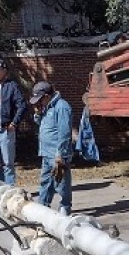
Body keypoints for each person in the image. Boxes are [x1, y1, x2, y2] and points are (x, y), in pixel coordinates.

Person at [30, 80, 73, 215]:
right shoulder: (47, 107)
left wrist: (60, 153)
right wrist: (37, 113)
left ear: (47, 96)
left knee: (61, 182)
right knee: (45, 181)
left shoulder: (61, 107)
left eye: (39, 99)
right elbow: (41, 124)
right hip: (46, 152)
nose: (38, 102)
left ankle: (65, 207)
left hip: (57, 153)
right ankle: (43, 206)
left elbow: (64, 132)